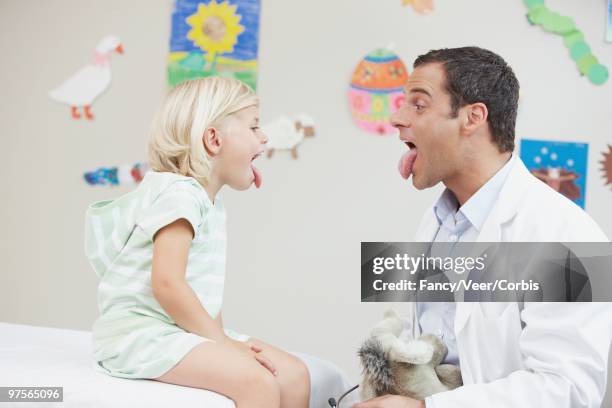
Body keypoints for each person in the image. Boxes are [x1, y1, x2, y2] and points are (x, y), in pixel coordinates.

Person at [355, 47, 611, 408]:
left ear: (473, 117)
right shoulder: (437, 221)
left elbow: (569, 392)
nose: (397, 117)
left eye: (419, 104)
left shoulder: (573, 237)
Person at [85, 77, 310, 408]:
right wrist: (221, 345)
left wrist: (223, 342)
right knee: (256, 382)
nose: (264, 137)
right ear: (214, 139)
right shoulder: (180, 195)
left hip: (172, 330)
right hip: (137, 336)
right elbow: (167, 284)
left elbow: (204, 297)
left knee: (294, 375)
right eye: (253, 127)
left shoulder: (209, 202)